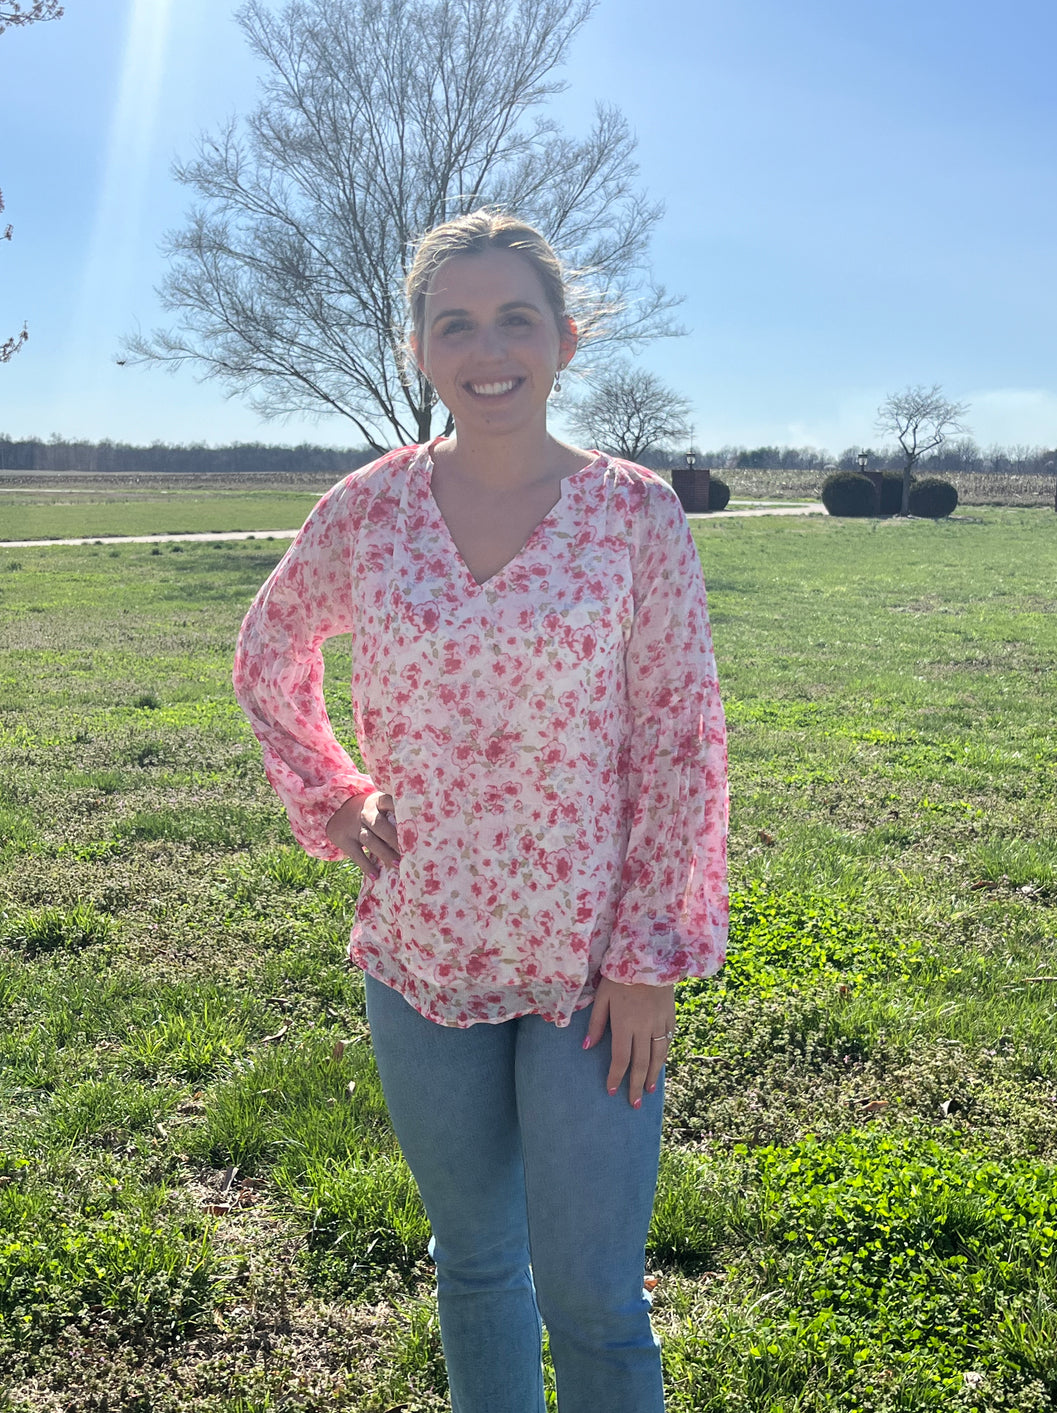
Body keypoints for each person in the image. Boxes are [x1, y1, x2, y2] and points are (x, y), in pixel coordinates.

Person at [233, 208, 728, 1413]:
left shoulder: (634, 514)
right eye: (454, 322)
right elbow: (269, 649)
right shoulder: (369, 510)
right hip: (422, 950)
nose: (486, 346)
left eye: (515, 318)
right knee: (474, 1266)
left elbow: (681, 737)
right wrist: (336, 793)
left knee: (598, 1301)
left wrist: (649, 958)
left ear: (563, 340)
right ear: (418, 349)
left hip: (590, 963)